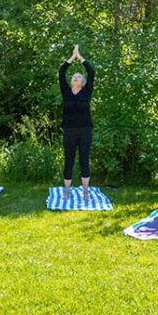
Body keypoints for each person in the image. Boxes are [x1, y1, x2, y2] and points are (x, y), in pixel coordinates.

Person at [59, 44, 95, 202]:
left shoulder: (86, 92)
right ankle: (66, 191)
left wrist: (80, 58)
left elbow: (91, 71)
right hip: (69, 131)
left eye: (79, 76)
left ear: (83, 82)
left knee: (84, 161)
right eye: (74, 76)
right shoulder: (66, 92)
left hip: (85, 130)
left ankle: (85, 192)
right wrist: (71, 59)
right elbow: (61, 72)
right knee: (68, 160)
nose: (75, 77)